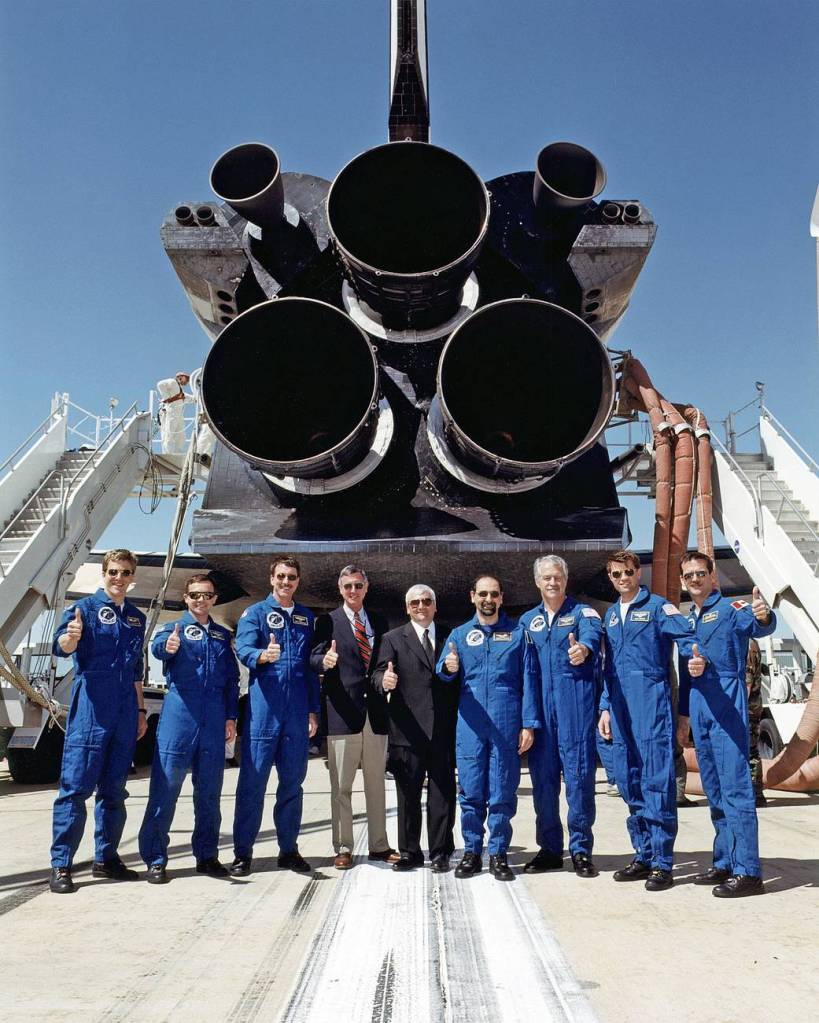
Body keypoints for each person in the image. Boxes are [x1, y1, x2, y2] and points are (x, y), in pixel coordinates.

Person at [49, 549, 147, 894]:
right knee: (75, 789)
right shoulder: (84, 610)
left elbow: (136, 669)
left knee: (114, 791)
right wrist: (71, 637)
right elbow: (61, 647)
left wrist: (139, 711)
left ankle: (106, 858)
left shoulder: (136, 617)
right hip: (91, 708)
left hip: (123, 712)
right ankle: (61, 865)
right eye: (113, 572)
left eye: (125, 573)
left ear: (132, 577)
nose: (119, 578)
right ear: (103, 574)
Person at [677, 553, 775, 898]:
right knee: (715, 792)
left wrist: (764, 616)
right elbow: (686, 673)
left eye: (700, 573)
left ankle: (749, 871)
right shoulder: (689, 620)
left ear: (712, 575)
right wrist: (684, 717)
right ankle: (724, 861)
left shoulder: (731, 611)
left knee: (735, 791)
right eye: (688, 575)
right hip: (700, 711)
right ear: (682, 580)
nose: (695, 579)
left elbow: (758, 624)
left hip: (727, 708)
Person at [597, 549, 696, 892]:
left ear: (638, 572)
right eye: (615, 574)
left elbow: (688, 640)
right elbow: (608, 667)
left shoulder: (657, 608)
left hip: (651, 704)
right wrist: (605, 706)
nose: (622, 579)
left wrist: (698, 665)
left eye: (627, 572)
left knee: (657, 781)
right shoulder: (610, 616)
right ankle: (643, 853)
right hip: (620, 706)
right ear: (610, 577)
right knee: (628, 781)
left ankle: (663, 863)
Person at [436, 575, 540, 880]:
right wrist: (448, 668)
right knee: (470, 789)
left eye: (494, 594)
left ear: (501, 597)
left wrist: (528, 725)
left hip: (506, 721)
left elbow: (529, 682)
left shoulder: (519, 635)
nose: (488, 599)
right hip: (470, 722)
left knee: (502, 788)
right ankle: (471, 852)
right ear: (472, 597)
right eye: (483, 594)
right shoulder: (459, 634)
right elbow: (442, 671)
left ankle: (497, 853)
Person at [138, 574, 239, 884]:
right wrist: (168, 647)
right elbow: (157, 649)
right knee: (165, 790)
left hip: (213, 719)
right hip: (179, 717)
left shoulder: (222, 636)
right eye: (194, 595)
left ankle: (207, 855)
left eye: (206, 595)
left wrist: (230, 718)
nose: (200, 600)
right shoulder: (173, 629)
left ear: (214, 599)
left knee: (209, 793)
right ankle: (156, 858)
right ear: (186, 598)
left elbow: (232, 682)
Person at [230, 556, 320, 876]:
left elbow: (309, 671)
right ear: (272, 579)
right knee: (252, 786)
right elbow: (242, 649)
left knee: (292, 785)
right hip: (263, 714)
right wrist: (261, 656)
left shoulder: (307, 619)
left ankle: (288, 849)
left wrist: (312, 711)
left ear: (298, 581)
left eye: (292, 577)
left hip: (296, 715)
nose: (286, 582)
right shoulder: (255, 614)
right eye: (281, 576)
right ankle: (243, 852)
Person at [519, 555, 603, 879]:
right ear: (538, 582)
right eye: (547, 578)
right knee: (543, 784)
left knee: (580, 782)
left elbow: (592, 638)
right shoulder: (528, 622)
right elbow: (522, 670)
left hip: (575, 713)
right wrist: (526, 720)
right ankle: (551, 850)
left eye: (558, 577)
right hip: (541, 716)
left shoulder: (583, 613)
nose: (553, 582)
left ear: (565, 580)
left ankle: (581, 850)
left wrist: (583, 649)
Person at [310, 565, 397, 869]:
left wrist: (385, 678)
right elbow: (314, 657)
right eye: (347, 586)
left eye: (358, 585)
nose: (353, 591)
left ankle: (379, 845)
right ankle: (343, 847)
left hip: (375, 714)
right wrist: (326, 660)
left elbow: (381, 664)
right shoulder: (327, 622)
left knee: (376, 784)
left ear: (366, 587)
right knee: (342, 788)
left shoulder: (378, 621)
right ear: (340, 589)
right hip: (342, 715)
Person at [372, 585, 457, 872]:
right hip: (406, 730)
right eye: (415, 603)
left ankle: (441, 851)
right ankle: (409, 851)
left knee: (442, 794)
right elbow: (377, 673)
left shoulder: (450, 637)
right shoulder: (393, 639)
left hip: (442, 730)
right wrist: (384, 680)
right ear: (407, 608)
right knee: (407, 794)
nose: (421, 606)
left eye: (427, 601)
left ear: (435, 606)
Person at [746, 638, 767, 807]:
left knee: (749, 752)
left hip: (747, 709)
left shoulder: (747, 645)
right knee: (751, 751)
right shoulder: (750, 642)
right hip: (751, 708)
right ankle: (756, 793)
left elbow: (747, 681)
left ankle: (754, 793)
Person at [157, 371, 195, 455]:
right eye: (186, 378)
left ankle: (178, 452)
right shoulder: (172, 382)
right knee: (169, 433)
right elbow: (160, 384)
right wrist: (167, 398)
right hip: (171, 412)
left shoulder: (180, 391)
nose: (187, 381)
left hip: (178, 415)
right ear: (180, 377)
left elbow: (192, 398)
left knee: (181, 435)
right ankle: (168, 453)